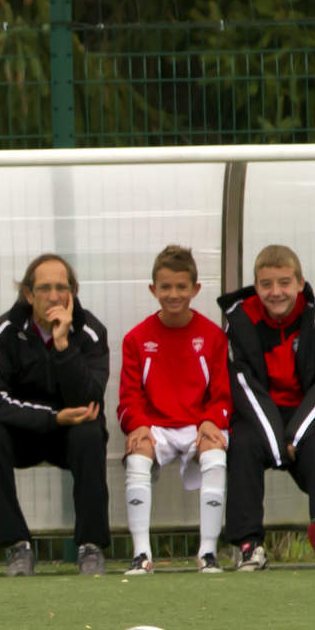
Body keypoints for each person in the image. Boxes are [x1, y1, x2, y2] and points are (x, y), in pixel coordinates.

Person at [217, 245, 315, 570]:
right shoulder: (238, 321)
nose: (276, 292)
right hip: (259, 415)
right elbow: (242, 385)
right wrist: (277, 439)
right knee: (243, 444)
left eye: (284, 283)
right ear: (256, 286)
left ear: (300, 282)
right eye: (266, 284)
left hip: (308, 414)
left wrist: (296, 433)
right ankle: (249, 544)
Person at [0, 254, 111, 576]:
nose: (53, 296)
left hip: (72, 434)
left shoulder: (90, 331)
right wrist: (52, 417)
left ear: (72, 293)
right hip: (26, 431)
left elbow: (90, 398)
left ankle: (90, 548)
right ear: (29, 294)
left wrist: (63, 345)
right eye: (44, 288)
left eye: (61, 288)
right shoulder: (5, 330)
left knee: (90, 434)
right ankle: (17, 546)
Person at [118, 244, 231, 574]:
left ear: (195, 289)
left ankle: (207, 553)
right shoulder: (136, 339)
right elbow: (128, 398)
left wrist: (211, 420)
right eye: (165, 287)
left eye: (181, 286)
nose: (173, 294)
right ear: (153, 289)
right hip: (157, 427)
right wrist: (138, 425)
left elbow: (222, 395)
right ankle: (142, 555)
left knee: (215, 453)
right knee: (137, 452)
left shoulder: (212, 336)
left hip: (198, 425)